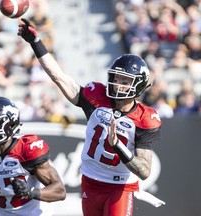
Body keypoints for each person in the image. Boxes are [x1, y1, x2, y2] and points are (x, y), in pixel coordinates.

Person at [17, 19, 163, 216]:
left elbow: (144, 171)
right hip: (90, 181)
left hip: (120, 188)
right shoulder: (96, 98)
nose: (118, 84)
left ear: (138, 85)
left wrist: (118, 145)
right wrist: (36, 43)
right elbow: (59, 77)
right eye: (116, 78)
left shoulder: (145, 118)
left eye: (125, 81)